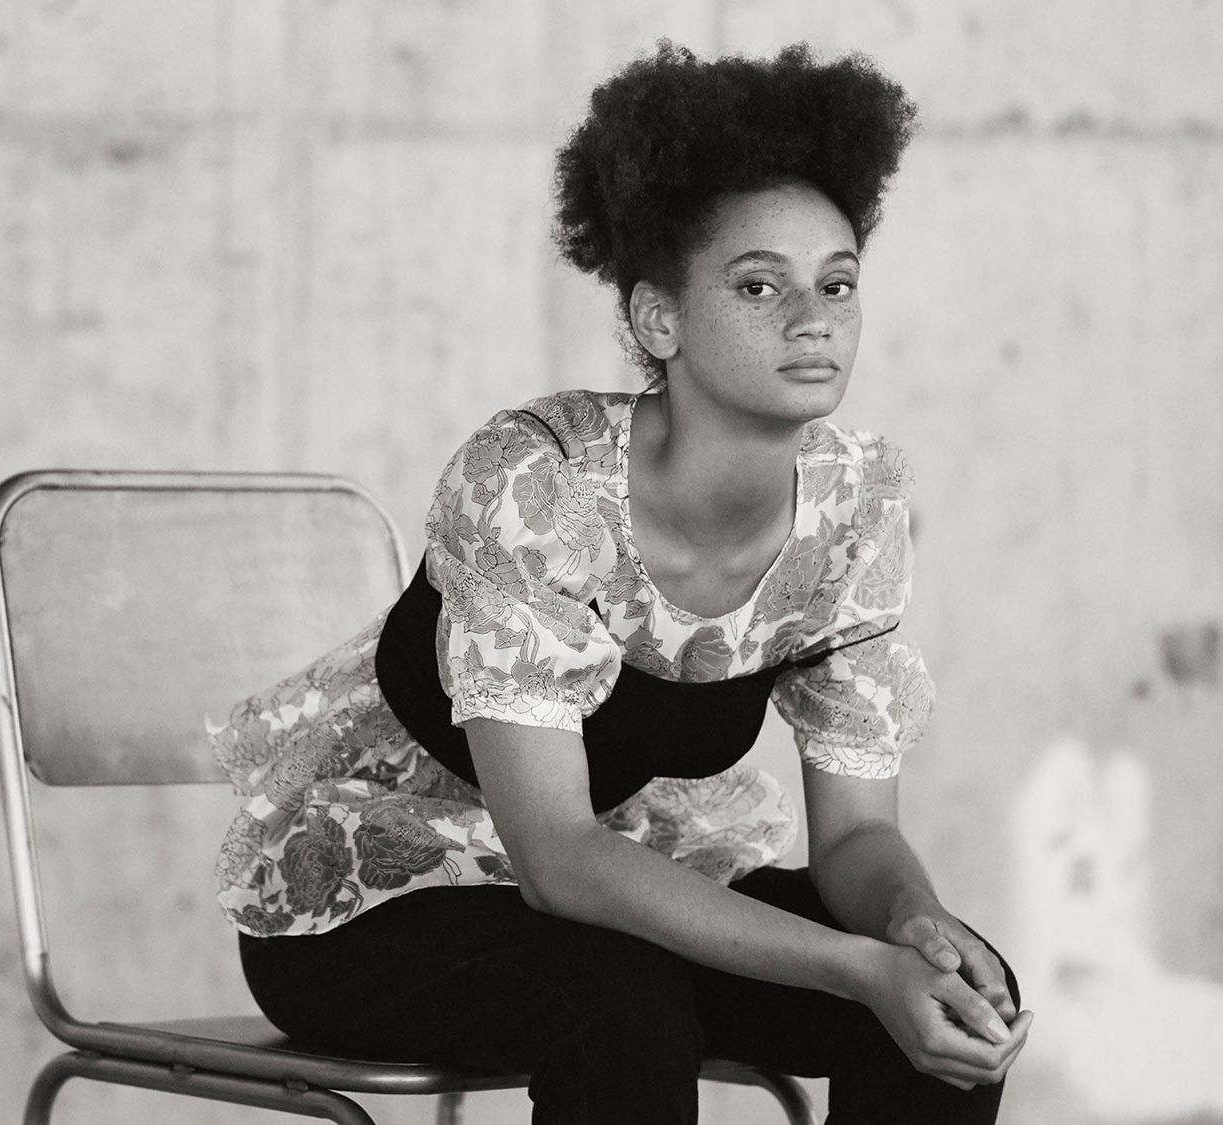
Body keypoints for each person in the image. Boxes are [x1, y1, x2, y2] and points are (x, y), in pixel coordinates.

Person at [213, 41, 1032, 1124]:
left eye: (836, 283)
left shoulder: (852, 510)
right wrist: (854, 966)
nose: (814, 317)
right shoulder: (537, 484)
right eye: (759, 285)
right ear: (659, 320)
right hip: (372, 901)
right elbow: (558, 859)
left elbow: (852, 842)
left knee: (959, 994)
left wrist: (910, 927)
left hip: (624, 895)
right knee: (622, 1006)